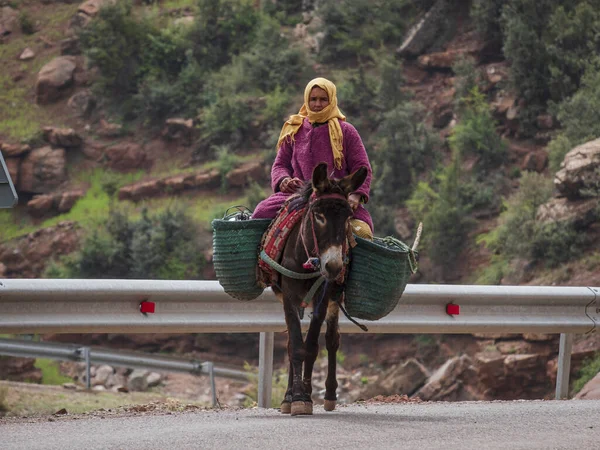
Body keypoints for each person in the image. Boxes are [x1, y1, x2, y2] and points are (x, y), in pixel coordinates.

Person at [252, 77, 373, 239]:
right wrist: (284, 180)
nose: (317, 104)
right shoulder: (294, 129)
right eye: (313, 99)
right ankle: (257, 264)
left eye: (323, 99)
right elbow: (280, 164)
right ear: (306, 100)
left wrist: (355, 195)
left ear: (332, 100)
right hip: (298, 195)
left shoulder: (347, 131)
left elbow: (362, 167)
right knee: (261, 212)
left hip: (337, 198)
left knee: (362, 233)